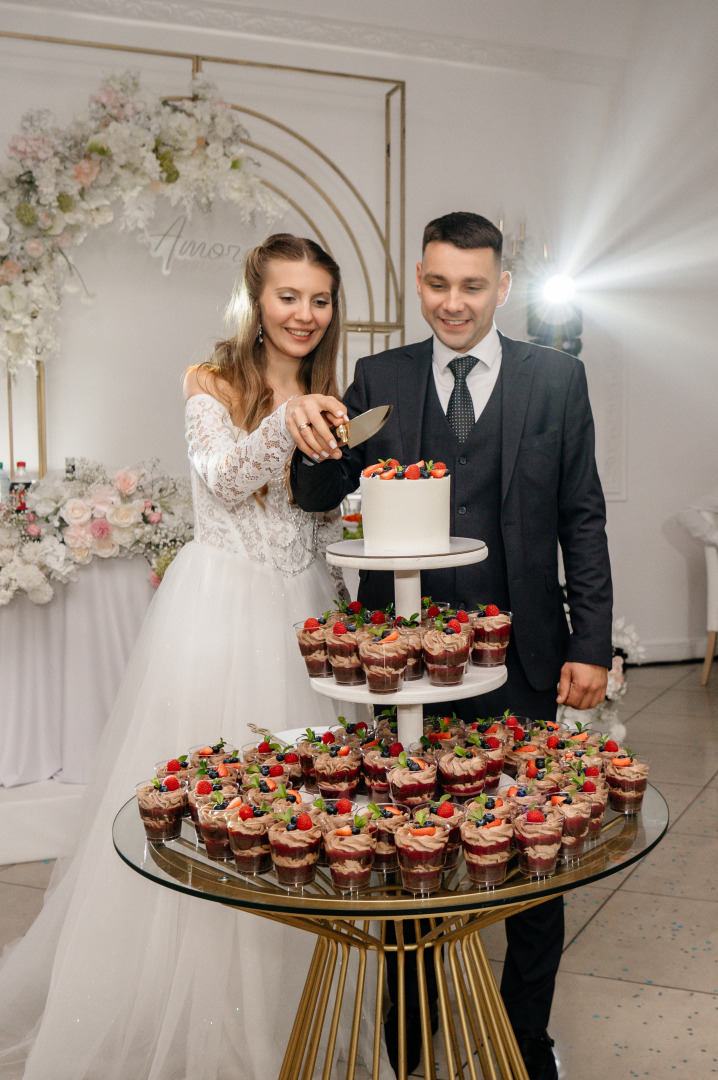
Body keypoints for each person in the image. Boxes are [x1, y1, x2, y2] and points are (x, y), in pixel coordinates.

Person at [0, 234, 389, 1079]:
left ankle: (293, 1014)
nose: (304, 315)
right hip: (219, 620)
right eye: (289, 297)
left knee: (303, 818)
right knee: (214, 815)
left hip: (303, 613)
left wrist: (358, 491)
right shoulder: (209, 383)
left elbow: (313, 520)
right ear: (256, 298)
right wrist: (288, 425)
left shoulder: (329, 393)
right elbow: (220, 479)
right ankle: (187, 1011)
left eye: (320, 300)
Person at [289, 212, 613, 1080]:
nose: (453, 303)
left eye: (472, 285)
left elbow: (582, 515)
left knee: (532, 855)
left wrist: (594, 639)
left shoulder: (557, 381)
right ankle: (412, 1041)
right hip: (404, 667)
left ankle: (521, 1040)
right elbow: (322, 488)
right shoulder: (376, 375)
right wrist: (310, 430)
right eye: (437, 284)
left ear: (501, 288)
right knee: (409, 853)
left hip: (525, 656)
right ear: (419, 282)